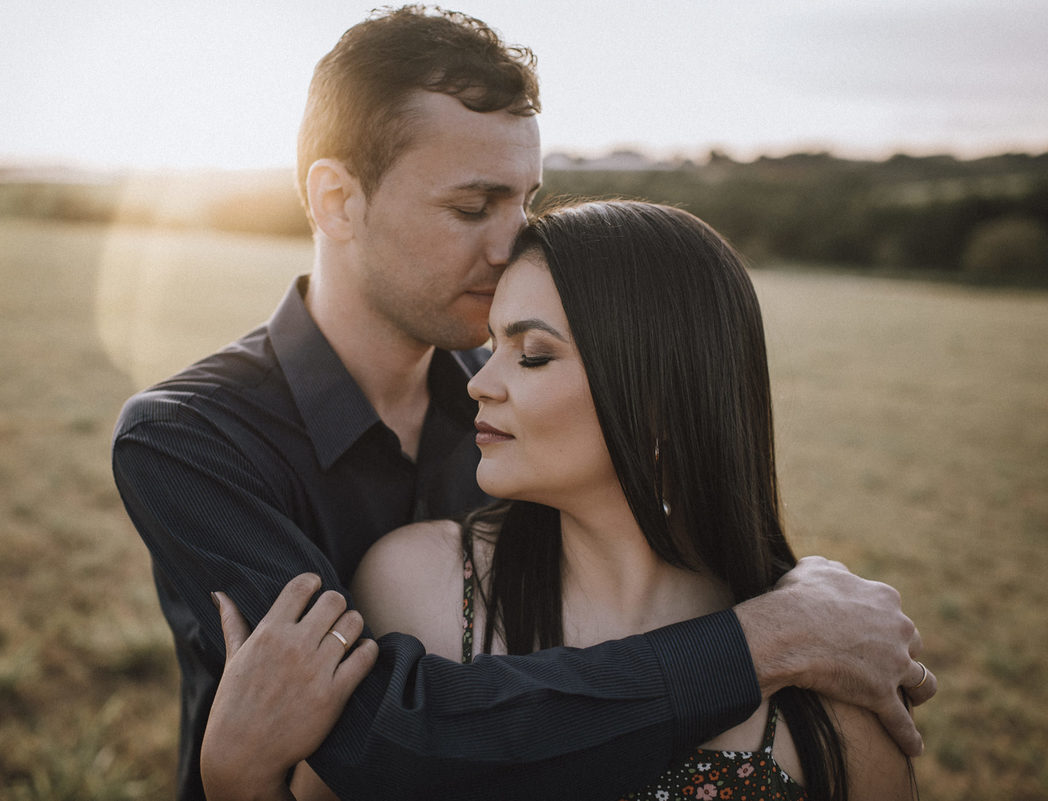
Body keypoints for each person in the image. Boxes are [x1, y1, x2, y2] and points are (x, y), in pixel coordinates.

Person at [112, 7, 934, 801]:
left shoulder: (523, 407)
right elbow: (379, 740)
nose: (514, 245)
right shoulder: (189, 439)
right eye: (474, 207)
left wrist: (786, 596)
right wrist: (766, 641)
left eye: (525, 201)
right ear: (335, 202)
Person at [207, 201, 920, 801]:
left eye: (533, 354)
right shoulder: (414, 588)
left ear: (660, 400)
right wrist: (239, 782)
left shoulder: (833, 685)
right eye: (492, 344)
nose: (479, 382)